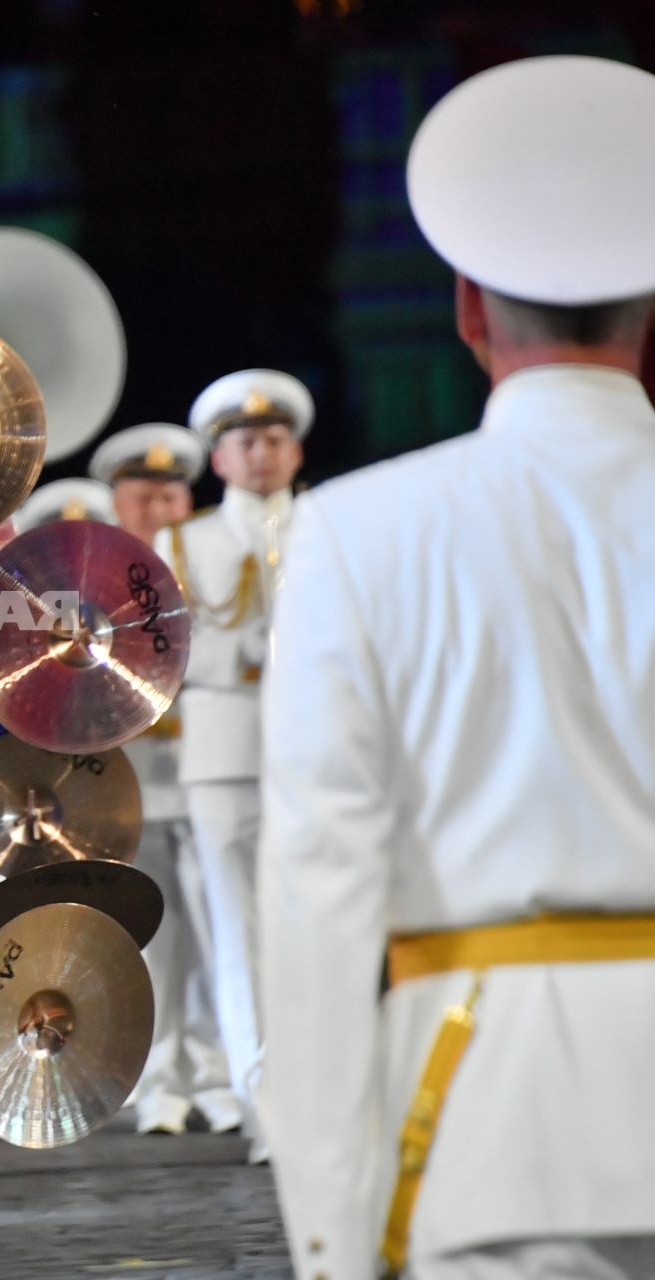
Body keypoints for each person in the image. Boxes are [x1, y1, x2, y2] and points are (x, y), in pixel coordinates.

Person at [261, 55, 655, 1279]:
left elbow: (320, 891)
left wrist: (329, 1229)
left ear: (468, 311)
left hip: (489, 1131)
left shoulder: (362, 532)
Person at [153, 366, 311, 1161]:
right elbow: (159, 656)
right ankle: (265, 1103)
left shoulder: (328, 525)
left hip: (318, 745)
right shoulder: (182, 543)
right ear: (218, 459)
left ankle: (323, 1088)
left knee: (318, 919)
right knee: (237, 930)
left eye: (274, 438)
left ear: (298, 448)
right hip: (222, 746)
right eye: (244, 442)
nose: (260, 454)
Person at [92, 423, 240, 1136]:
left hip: (209, 766)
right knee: (149, 936)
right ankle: (158, 1082)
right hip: (132, 773)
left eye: (172, 493)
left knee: (223, 932)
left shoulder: (215, 569)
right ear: (116, 502)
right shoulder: (90, 573)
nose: (159, 509)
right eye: (143, 496)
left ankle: (222, 1075)